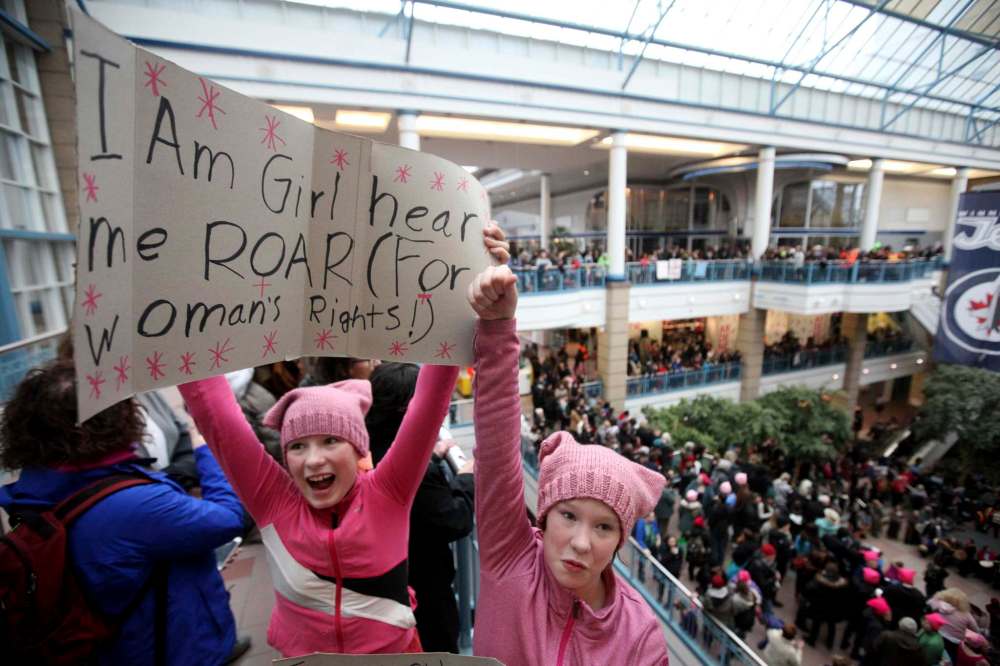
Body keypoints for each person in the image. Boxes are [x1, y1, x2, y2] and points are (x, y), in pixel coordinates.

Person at [177, 226, 509, 657]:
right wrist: (178, 286)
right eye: (297, 446)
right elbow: (215, 414)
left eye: (330, 441)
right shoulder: (272, 500)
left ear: (358, 447)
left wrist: (471, 275)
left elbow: (430, 396)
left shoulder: (390, 491)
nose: (312, 461)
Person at [468, 264, 670, 665]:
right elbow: (495, 449)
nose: (581, 543)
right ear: (542, 516)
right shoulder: (508, 557)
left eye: (603, 526)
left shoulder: (640, 636)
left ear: (620, 539)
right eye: (568, 515)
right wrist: (497, 327)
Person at [0, 358, 248, 665]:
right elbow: (228, 518)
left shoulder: (37, 488)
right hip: (174, 651)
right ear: (112, 418)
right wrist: (203, 445)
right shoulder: (135, 504)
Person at [366, 362, 475, 654]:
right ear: (411, 410)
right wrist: (466, 478)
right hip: (425, 589)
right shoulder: (413, 472)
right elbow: (456, 519)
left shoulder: (367, 447)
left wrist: (433, 458)